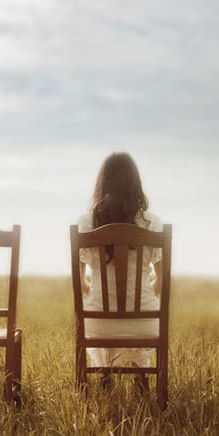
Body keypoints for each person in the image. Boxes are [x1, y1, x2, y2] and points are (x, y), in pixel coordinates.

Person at [77, 152, 163, 391]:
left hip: (98, 322)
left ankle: (106, 370)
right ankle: (139, 372)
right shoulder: (153, 224)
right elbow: (162, 281)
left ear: (101, 182)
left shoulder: (85, 224)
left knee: (100, 306)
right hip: (144, 321)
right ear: (136, 183)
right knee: (142, 308)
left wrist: (95, 294)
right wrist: (146, 297)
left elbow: (79, 284)